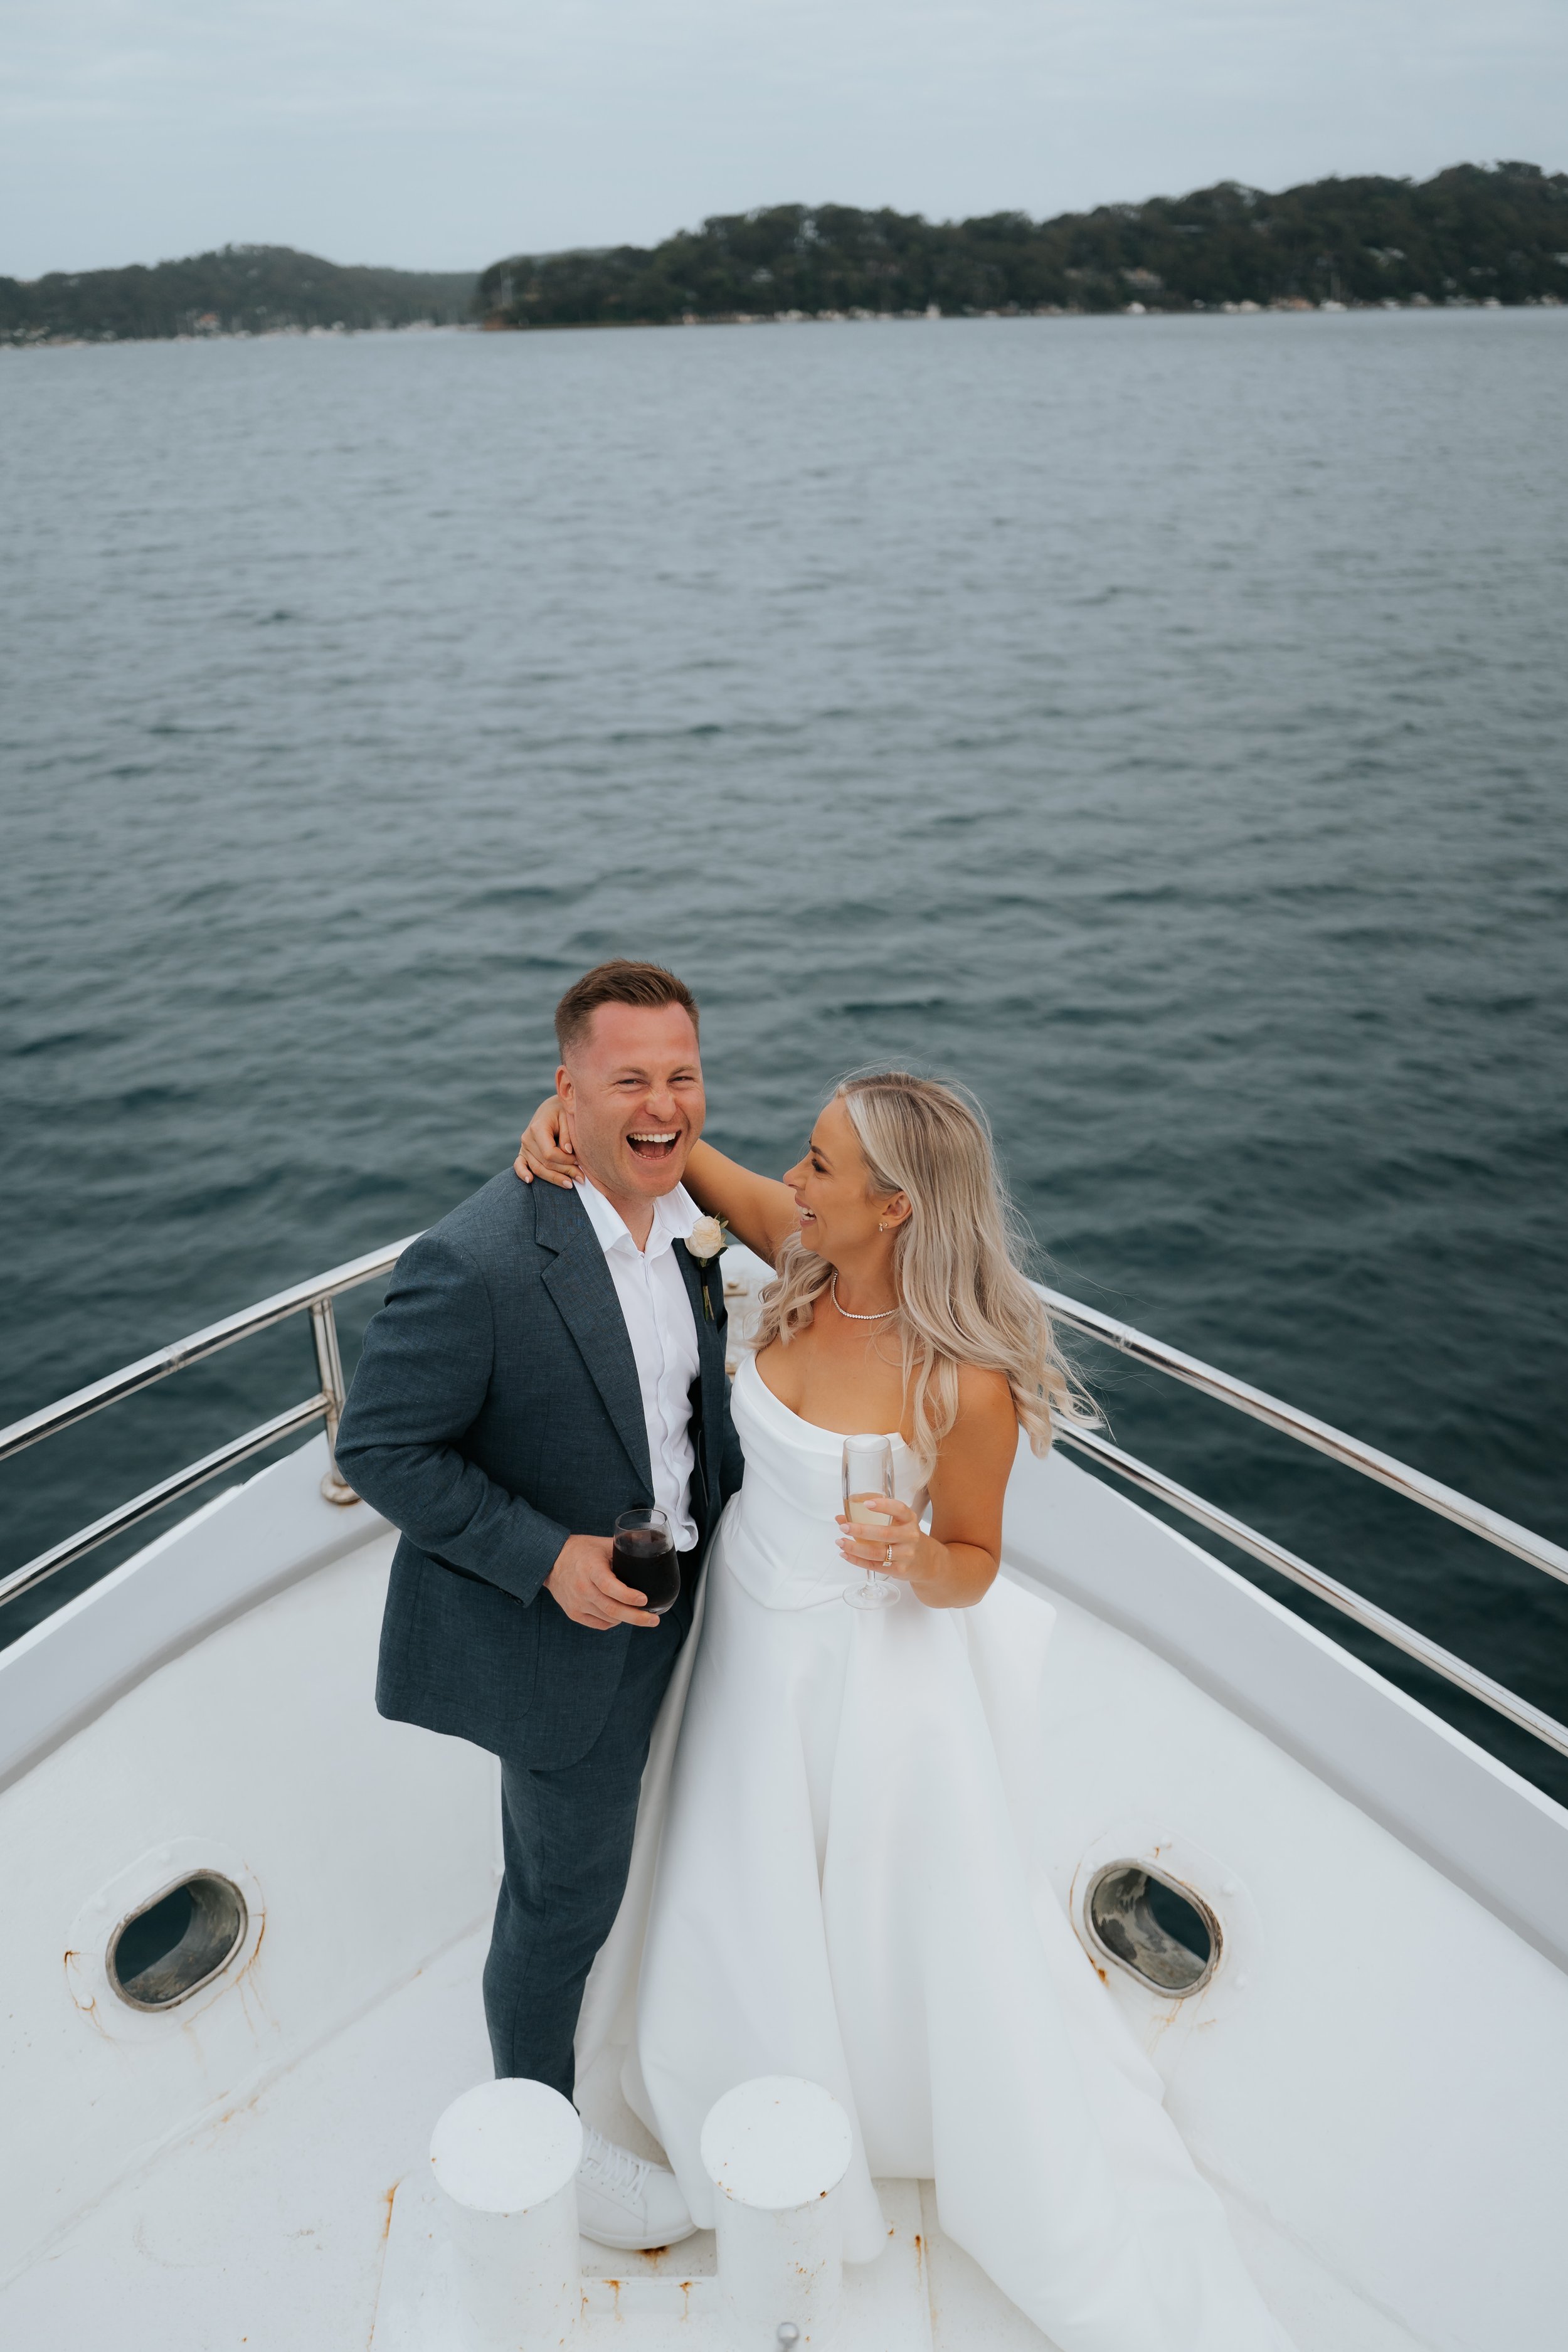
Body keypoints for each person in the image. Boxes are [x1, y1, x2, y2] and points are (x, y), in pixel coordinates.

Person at [515, 1070, 1293, 2350]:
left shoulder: (962, 1385)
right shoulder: (799, 1250)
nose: (794, 1179)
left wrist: (906, 1553)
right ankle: (736, 2092)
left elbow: (972, 1563)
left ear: (893, 1205)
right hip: (747, 1645)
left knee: (885, 1912)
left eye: (819, 1166)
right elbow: (684, 1152)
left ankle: (866, 2109)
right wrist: (572, 1130)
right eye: (806, 1161)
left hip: (868, 1669)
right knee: (734, 1880)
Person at [334, 960, 743, 2252]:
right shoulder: (476, 1262)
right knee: (557, 1895)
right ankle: (541, 2137)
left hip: (699, 1599)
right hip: (565, 1634)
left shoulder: (685, 1219)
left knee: (657, 1841)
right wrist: (544, 1557)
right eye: (627, 1079)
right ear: (563, 1090)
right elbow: (380, 1450)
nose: (661, 1104)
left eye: (680, 1075)